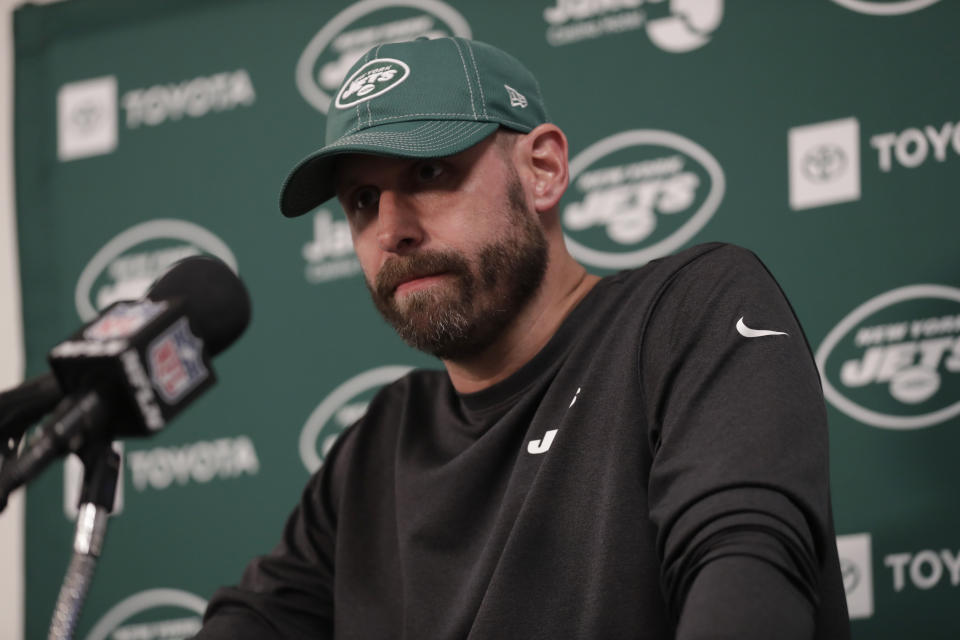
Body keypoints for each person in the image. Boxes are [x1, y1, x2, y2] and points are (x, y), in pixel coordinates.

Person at [196, 36, 850, 639]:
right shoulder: (378, 445)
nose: (392, 228)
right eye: (363, 199)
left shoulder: (687, 313)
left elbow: (746, 572)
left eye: (429, 173)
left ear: (543, 169)